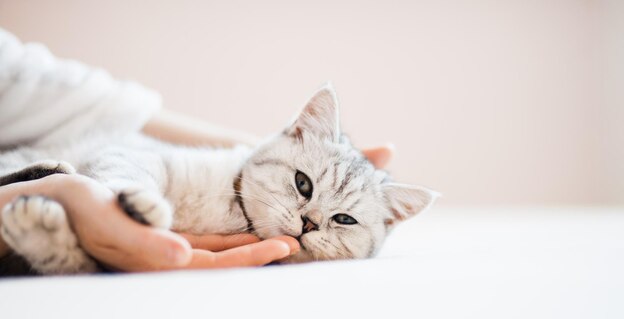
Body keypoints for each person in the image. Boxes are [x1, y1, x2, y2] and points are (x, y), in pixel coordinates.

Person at [0, 28, 393, 272]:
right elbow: (126, 157)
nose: (310, 222)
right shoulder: (219, 172)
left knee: (106, 251)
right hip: (53, 165)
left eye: (344, 219)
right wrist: (125, 194)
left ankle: (52, 251)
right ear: (290, 136)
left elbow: (93, 99)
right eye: (304, 185)